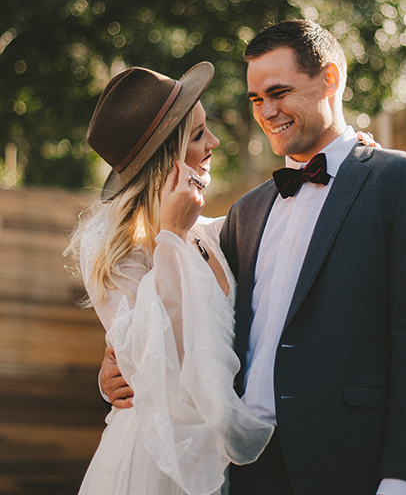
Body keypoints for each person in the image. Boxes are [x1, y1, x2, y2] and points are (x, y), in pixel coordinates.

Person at [102, 20, 406, 495]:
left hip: (353, 464)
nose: (267, 112)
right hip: (247, 468)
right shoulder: (245, 212)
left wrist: (405, 479)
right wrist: (116, 365)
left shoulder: (404, 183)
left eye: (279, 92)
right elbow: (190, 312)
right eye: (256, 99)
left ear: (330, 79)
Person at [66, 63, 273, 495]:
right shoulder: (109, 242)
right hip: (153, 460)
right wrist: (170, 235)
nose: (213, 141)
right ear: (168, 157)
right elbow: (151, 347)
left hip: (210, 456)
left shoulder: (210, 233)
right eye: (198, 134)